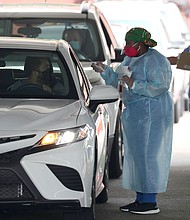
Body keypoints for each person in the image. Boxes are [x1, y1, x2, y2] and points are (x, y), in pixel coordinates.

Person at [92, 27, 174, 215]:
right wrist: (105, 71)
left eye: (130, 43)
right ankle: (140, 198)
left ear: (141, 44)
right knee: (137, 156)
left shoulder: (156, 60)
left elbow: (160, 87)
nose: (126, 47)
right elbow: (120, 81)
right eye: (126, 43)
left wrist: (135, 84)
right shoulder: (131, 58)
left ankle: (150, 201)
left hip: (153, 114)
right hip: (137, 114)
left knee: (149, 156)